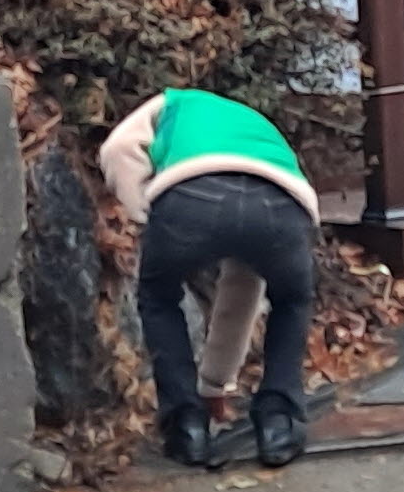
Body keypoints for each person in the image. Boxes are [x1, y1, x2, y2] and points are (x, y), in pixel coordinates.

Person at [100, 88, 320, 469]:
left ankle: (186, 427)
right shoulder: (254, 124)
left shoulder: (170, 103)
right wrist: (217, 385)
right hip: (281, 204)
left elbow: (117, 149)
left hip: (189, 195)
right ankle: (279, 422)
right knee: (291, 300)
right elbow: (240, 294)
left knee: (158, 297)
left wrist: (146, 213)